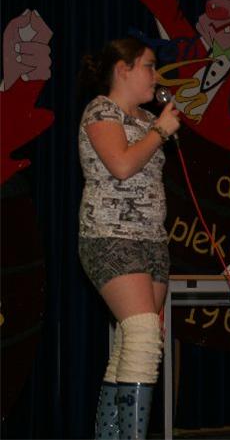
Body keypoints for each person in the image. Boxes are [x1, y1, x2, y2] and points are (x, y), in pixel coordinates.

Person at [77, 37, 180, 439]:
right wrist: (159, 132)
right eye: (149, 66)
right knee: (142, 336)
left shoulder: (146, 118)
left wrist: (155, 128)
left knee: (132, 342)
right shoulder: (102, 109)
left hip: (152, 242)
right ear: (123, 69)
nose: (156, 75)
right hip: (109, 237)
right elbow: (120, 165)